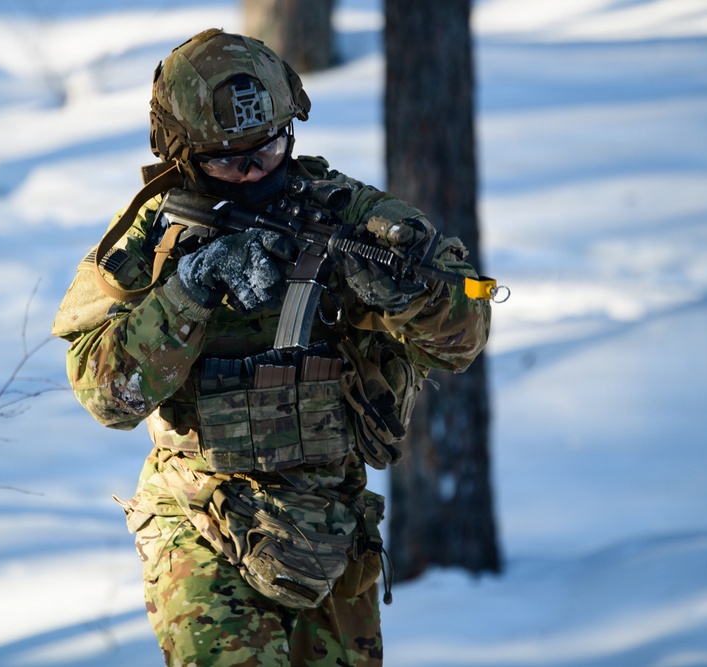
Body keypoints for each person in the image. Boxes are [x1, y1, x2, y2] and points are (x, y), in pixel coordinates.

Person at [52, 28, 490, 667]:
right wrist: (188, 293)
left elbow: (462, 340)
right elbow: (105, 393)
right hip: (202, 520)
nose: (256, 169)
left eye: (271, 147)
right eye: (230, 159)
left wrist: (409, 294)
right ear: (182, 152)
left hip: (329, 527)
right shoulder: (150, 239)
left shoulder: (345, 215)